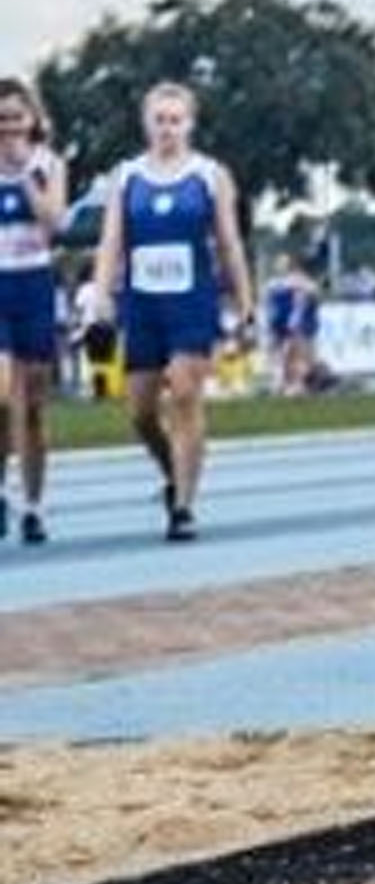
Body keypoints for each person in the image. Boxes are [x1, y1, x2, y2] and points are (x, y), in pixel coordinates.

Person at [91, 81, 254, 541]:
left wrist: (245, 299)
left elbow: (228, 242)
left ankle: (183, 506)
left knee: (184, 392)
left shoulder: (209, 175)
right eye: (159, 120)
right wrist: (101, 297)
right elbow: (110, 244)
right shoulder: (126, 177)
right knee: (141, 413)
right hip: (142, 304)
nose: (167, 128)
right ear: (147, 123)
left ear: (190, 124)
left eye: (175, 120)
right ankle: (173, 470)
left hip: (191, 302)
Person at [0, 78, 67, 544]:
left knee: (36, 404)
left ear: (32, 120)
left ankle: (34, 503)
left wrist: (25, 175)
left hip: (35, 283)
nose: (8, 128)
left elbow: (54, 221)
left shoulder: (47, 165)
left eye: (15, 118)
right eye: (0, 119)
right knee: (3, 396)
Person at [264, 252, 324, 394]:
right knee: (279, 354)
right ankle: (281, 382)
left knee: (298, 353)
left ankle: (300, 383)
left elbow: (305, 301)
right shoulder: (273, 284)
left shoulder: (301, 283)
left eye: (283, 263)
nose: (279, 266)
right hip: (279, 323)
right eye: (278, 263)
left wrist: (295, 320)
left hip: (296, 324)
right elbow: (270, 304)